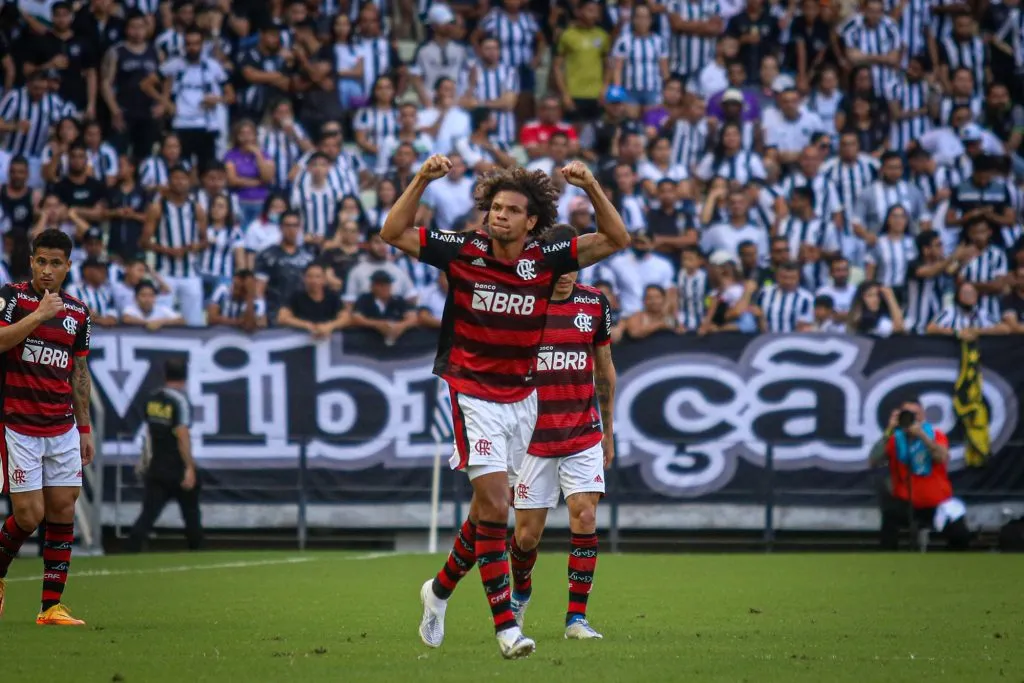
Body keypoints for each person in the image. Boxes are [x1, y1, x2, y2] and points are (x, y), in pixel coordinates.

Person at [381, 156, 628, 659]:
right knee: (496, 506)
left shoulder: (548, 258)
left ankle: (439, 590)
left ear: (531, 220)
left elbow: (617, 239)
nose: (500, 216)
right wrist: (423, 179)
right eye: (494, 208)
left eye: (512, 210)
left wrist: (593, 186)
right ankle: (507, 627)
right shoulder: (462, 250)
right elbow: (393, 231)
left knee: (484, 513)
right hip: (470, 391)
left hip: (523, 399)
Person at [506, 223, 616, 639]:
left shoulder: (595, 304)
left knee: (585, 516)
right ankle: (521, 594)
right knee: (526, 537)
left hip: (582, 432)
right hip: (532, 439)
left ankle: (576, 619)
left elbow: (604, 368)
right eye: (559, 261)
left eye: (572, 262)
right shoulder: (523, 305)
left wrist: (608, 431)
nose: (566, 271)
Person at [0, 228, 93, 626]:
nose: (48, 270)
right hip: (18, 425)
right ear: (31, 262)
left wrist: (85, 428)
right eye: (42, 261)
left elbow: (80, 373)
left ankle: (50, 607)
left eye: (57, 263)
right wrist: (39, 314)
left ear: (68, 266)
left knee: (62, 510)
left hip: (62, 428)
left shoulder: (78, 313)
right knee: (28, 516)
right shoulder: (11, 297)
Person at [868, 399, 970, 550]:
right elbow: (873, 461)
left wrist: (922, 436)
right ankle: (887, 561)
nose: (911, 418)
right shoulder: (895, 439)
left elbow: (941, 457)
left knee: (960, 534)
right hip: (906, 502)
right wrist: (889, 430)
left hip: (936, 502)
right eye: (907, 415)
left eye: (915, 414)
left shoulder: (936, 435)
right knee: (889, 516)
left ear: (923, 416)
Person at [125, 358, 202, 553]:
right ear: (185, 377)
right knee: (191, 514)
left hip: (157, 466)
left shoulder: (152, 399)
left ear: (165, 375)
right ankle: (198, 552)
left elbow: (150, 432)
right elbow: (182, 435)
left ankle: (131, 550)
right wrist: (190, 468)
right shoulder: (180, 400)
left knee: (148, 514)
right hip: (177, 466)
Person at [140, 165, 209, 327]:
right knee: (162, 318)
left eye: (183, 178)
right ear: (169, 181)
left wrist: (195, 247)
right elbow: (143, 241)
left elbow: (205, 240)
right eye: (175, 178)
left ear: (189, 182)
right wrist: (166, 250)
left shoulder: (196, 208)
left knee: (194, 321)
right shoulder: (158, 207)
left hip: (190, 272)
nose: (179, 182)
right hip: (165, 273)